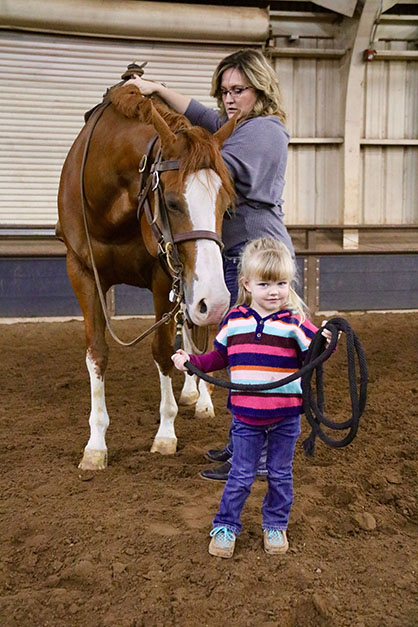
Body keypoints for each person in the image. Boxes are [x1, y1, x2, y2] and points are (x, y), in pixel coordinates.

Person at [127, 49, 294, 481]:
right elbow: (202, 115)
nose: (229, 100)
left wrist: (170, 148)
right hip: (236, 254)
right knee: (242, 357)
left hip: (259, 257)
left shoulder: (267, 131)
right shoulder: (235, 125)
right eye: (225, 91)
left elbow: (211, 167)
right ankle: (243, 443)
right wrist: (157, 90)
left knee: (261, 360)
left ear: (261, 87)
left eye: (239, 90)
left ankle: (256, 457)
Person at [172, 237, 333, 558]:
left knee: (280, 474)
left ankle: (275, 524)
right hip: (246, 417)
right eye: (265, 284)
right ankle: (226, 525)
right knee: (241, 474)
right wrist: (191, 363)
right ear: (247, 283)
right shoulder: (235, 320)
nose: (274, 291)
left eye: (282, 283)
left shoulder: (295, 322)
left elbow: (316, 354)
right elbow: (219, 358)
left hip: (286, 417)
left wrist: (328, 338)